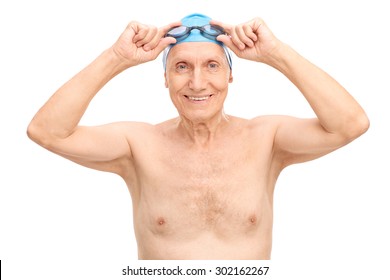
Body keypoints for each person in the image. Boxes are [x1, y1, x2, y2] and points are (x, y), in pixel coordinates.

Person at [27, 13, 369, 260]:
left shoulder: (266, 139)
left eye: (212, 65)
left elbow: (350, 124)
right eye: (181, 67)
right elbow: (46, 132)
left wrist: (276, 53)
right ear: (165, 78)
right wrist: (116, 58)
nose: (197, 83)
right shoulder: (138, 145)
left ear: (230, 76)